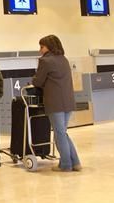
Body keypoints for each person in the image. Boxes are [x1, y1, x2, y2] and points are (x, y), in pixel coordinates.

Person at [32, 34, 81, 172]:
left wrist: (33, 79)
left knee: (59, 134)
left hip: (55, 103)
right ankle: (75, 162)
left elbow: (38, 81)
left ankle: (66, 165)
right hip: (68, 101)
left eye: (42, 47)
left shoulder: (45, 61)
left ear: (49, 47)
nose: (40, 50)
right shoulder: (64, 59)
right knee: (62, 132)